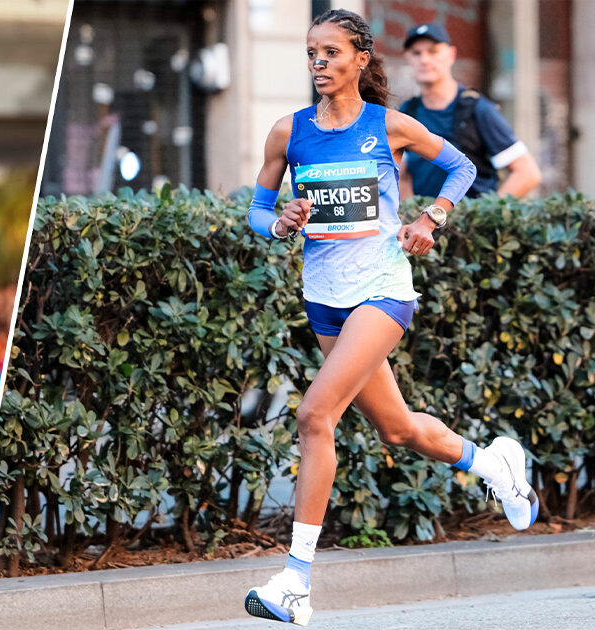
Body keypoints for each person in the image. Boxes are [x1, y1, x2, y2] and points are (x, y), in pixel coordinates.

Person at [241, 10, 537, 626]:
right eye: (311, 53)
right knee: (397, 429)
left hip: (382, 290)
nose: (318, 63)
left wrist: (431, 220)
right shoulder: (287, 132)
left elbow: (463, 167)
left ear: (361, 60)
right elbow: (257, 208)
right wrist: (278, 223)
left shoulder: (389, 125)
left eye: (330, 52)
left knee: (314, 414)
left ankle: (295, 582)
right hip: (323, 297)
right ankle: (492, 463)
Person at [400, 22, 542, 199]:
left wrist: (482, 215)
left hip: (465, 223)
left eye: (433, 51)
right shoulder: (408, 111)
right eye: (416, 53)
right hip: (425, 224)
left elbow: (527, 173)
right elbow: (402, 175)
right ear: (408, 58)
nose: (425, 60)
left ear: (452, 54)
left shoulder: (478, 109)